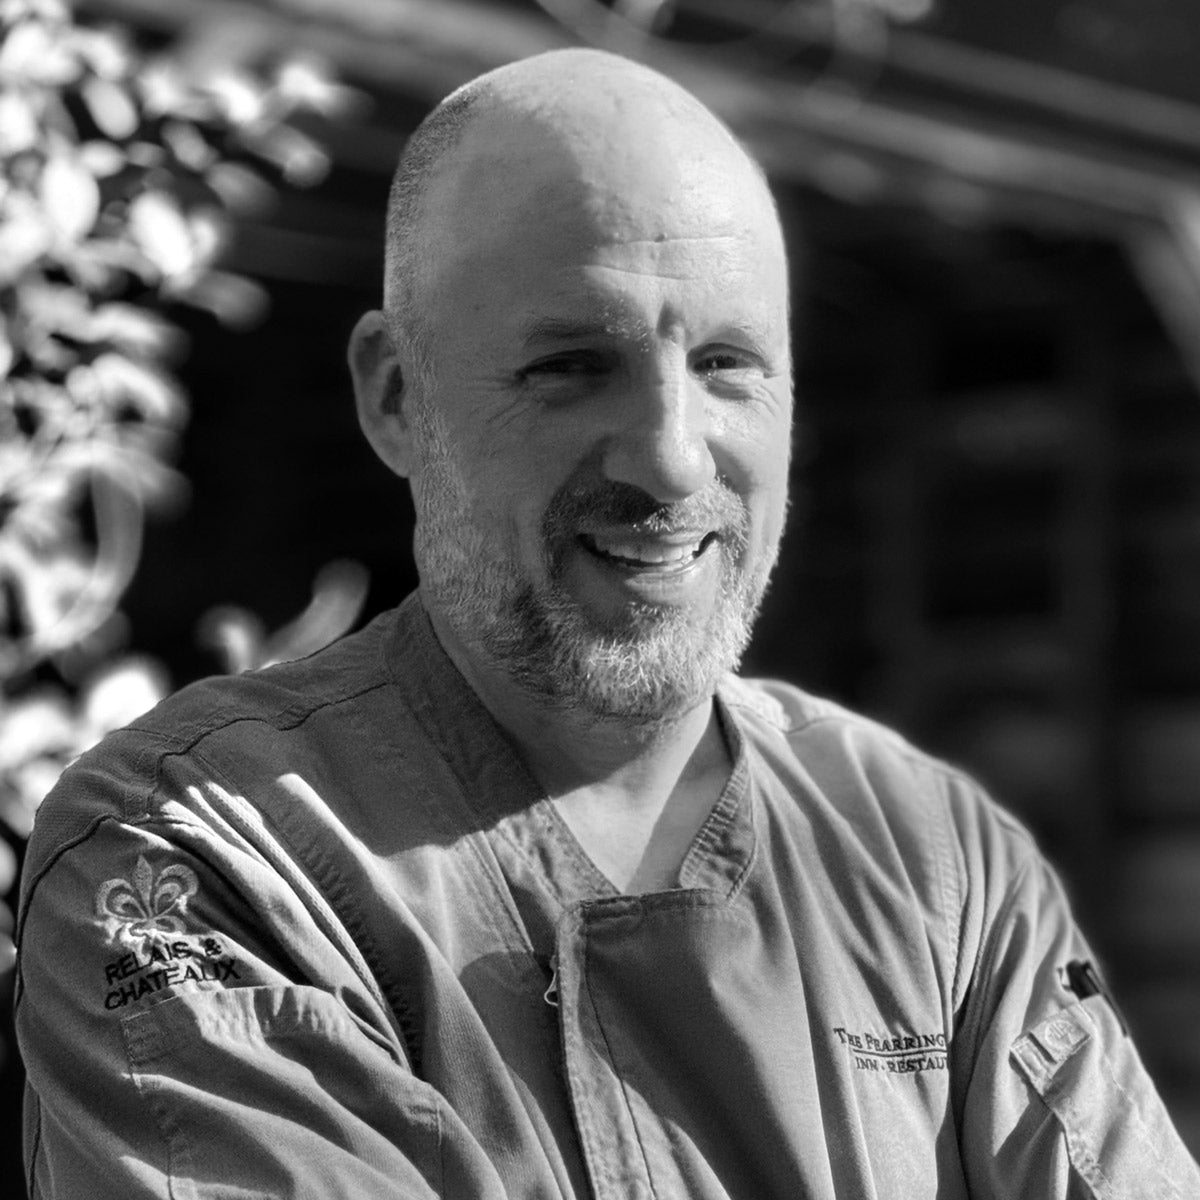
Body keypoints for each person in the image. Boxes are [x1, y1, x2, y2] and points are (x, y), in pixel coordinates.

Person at [13, 46, 1199, 1200]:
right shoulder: (205, 858)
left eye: (731, 364)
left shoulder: (933, 855)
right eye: (573, 365)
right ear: (394, 396)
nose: (675, 461)